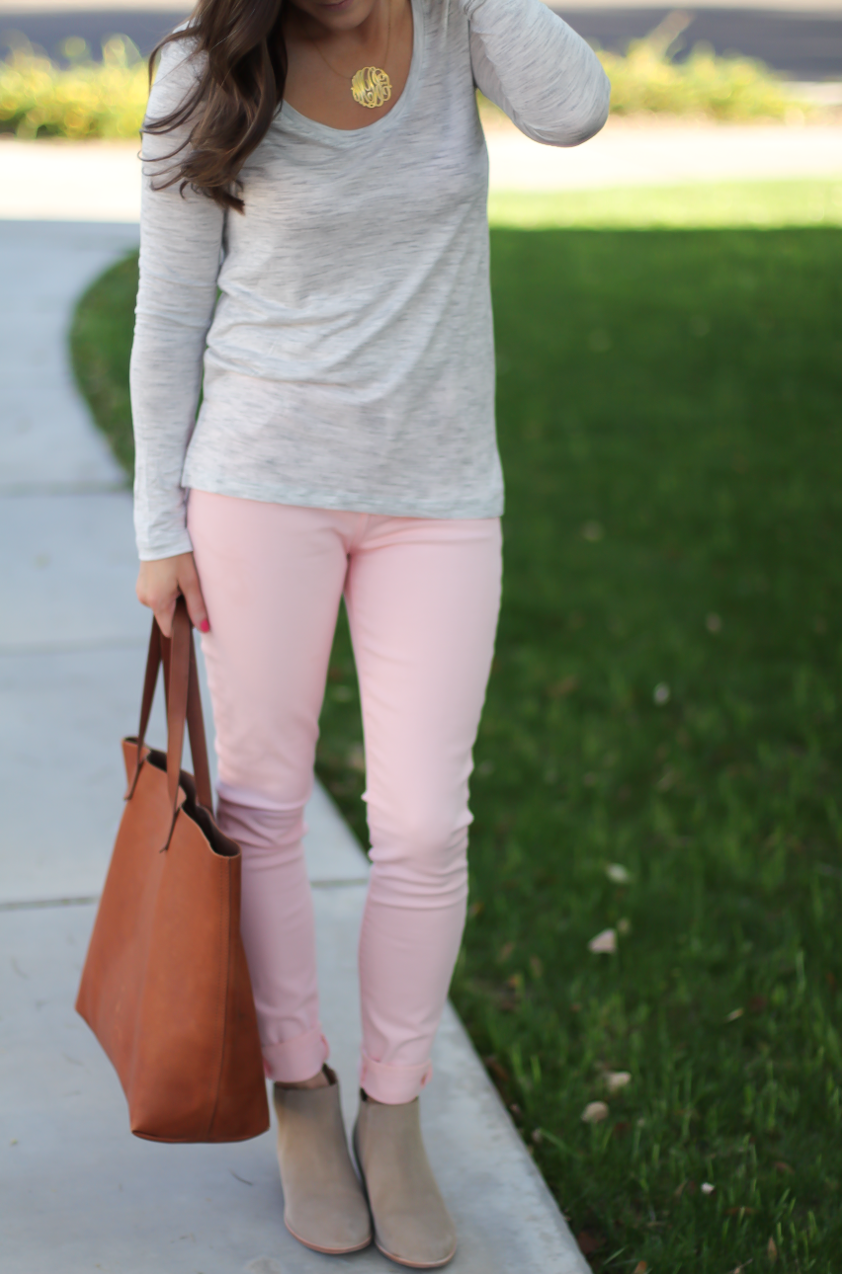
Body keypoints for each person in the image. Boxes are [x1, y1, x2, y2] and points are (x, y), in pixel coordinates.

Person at [130, 0, 609, 1261]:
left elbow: (574, 108)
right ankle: (301, 1090)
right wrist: (155, 528)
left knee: (420, 823)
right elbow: (168, 314)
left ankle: (391, 1113)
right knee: (271, 806)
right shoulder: (206, 62)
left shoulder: (457, 27)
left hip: (437, 494)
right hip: (256, 483)